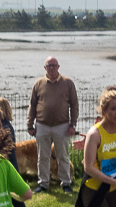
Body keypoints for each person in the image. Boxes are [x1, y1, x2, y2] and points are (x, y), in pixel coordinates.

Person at [26, 56, 79, 194]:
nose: (51, 68)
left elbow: (74, 105)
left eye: (54, 65)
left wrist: (73, 125)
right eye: (49, 66)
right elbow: (32, 105)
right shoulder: (38, 84)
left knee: (63, 156)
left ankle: (66, 183)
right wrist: (30, 125)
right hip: (42, 126)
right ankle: (43, 183)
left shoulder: (68, 83)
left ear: (58, 67)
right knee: (42, 156)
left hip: (62, 126)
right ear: (45, 68)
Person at [0, 97, 31, 207]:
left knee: (9, 197)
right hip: (12, 164)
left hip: (7, 165)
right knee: (15, 196)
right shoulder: (7, 125)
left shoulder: (2, 127)